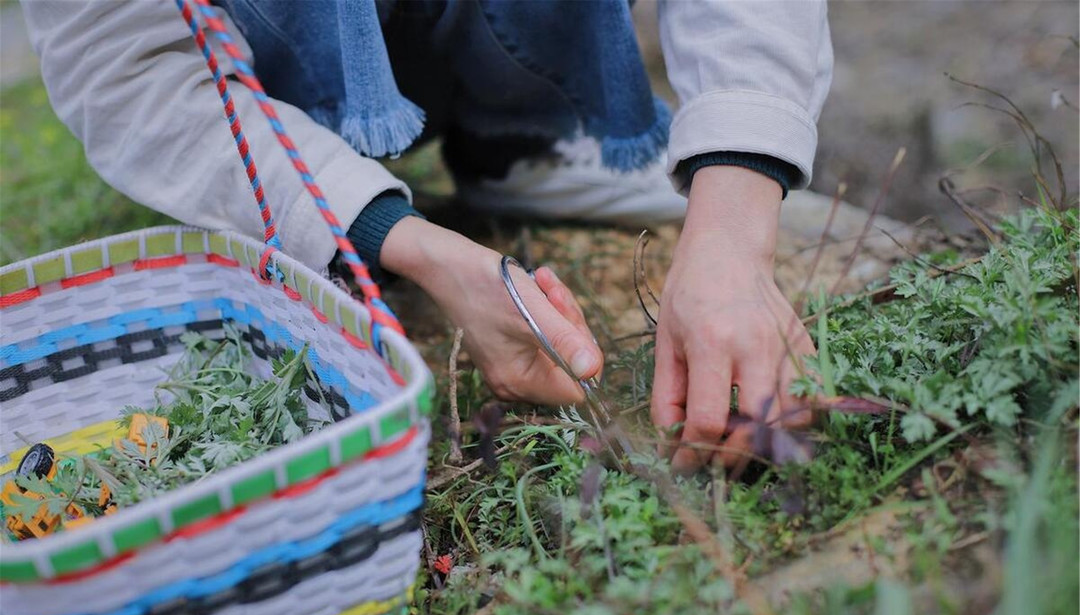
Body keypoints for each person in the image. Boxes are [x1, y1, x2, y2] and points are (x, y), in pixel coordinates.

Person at [22, 0, 831, 471]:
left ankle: (517, 127)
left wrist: (730, 223)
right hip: (277, 77)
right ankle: (329, 170)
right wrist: (409, 243)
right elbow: (120, 62)